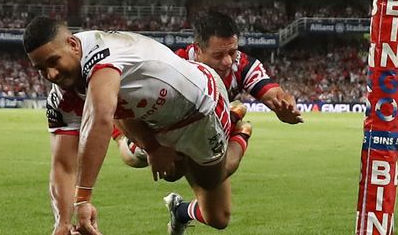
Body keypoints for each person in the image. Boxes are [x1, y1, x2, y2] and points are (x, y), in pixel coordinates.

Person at [24, 16, 252, 235]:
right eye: (41, 69)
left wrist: (83, 200)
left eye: (53, 61)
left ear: (73, 44)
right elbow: (62, 164)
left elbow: (101, 117)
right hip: (153, 118)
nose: (51, 73)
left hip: (199, 109)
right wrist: (62, 221)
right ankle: (174, 167)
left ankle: (239, 127)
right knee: (151, 164)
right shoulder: (61, 98)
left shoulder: (102, 55)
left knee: (216, 199)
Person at [115, 11, 303, 169]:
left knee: (216, 177)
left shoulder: (244, 65)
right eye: (218, 55)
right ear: (198, 51)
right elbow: (122, 106)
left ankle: (238, 128)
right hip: (169, 124)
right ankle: (232, 116)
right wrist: (152, 147)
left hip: (202, 125)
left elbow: (277, 95)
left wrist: (285, 107)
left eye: (232, 52)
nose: (228, 61)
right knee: (134, 157)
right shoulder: (173, 65)